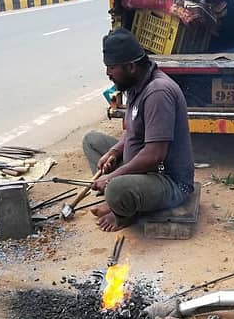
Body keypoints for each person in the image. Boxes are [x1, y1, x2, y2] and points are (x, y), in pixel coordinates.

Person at [83, 28, 195, 232]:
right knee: (92, 141)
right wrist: (114, 152)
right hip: (146, 171)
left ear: (131, 66)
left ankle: (124, 212)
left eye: (111, 68)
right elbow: (133, 130)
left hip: (169, 181)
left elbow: (154, 155)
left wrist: (112, 177)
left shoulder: (157, 92)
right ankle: (119, 199)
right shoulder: (136, 84)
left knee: (116, 188)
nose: (108, 74)